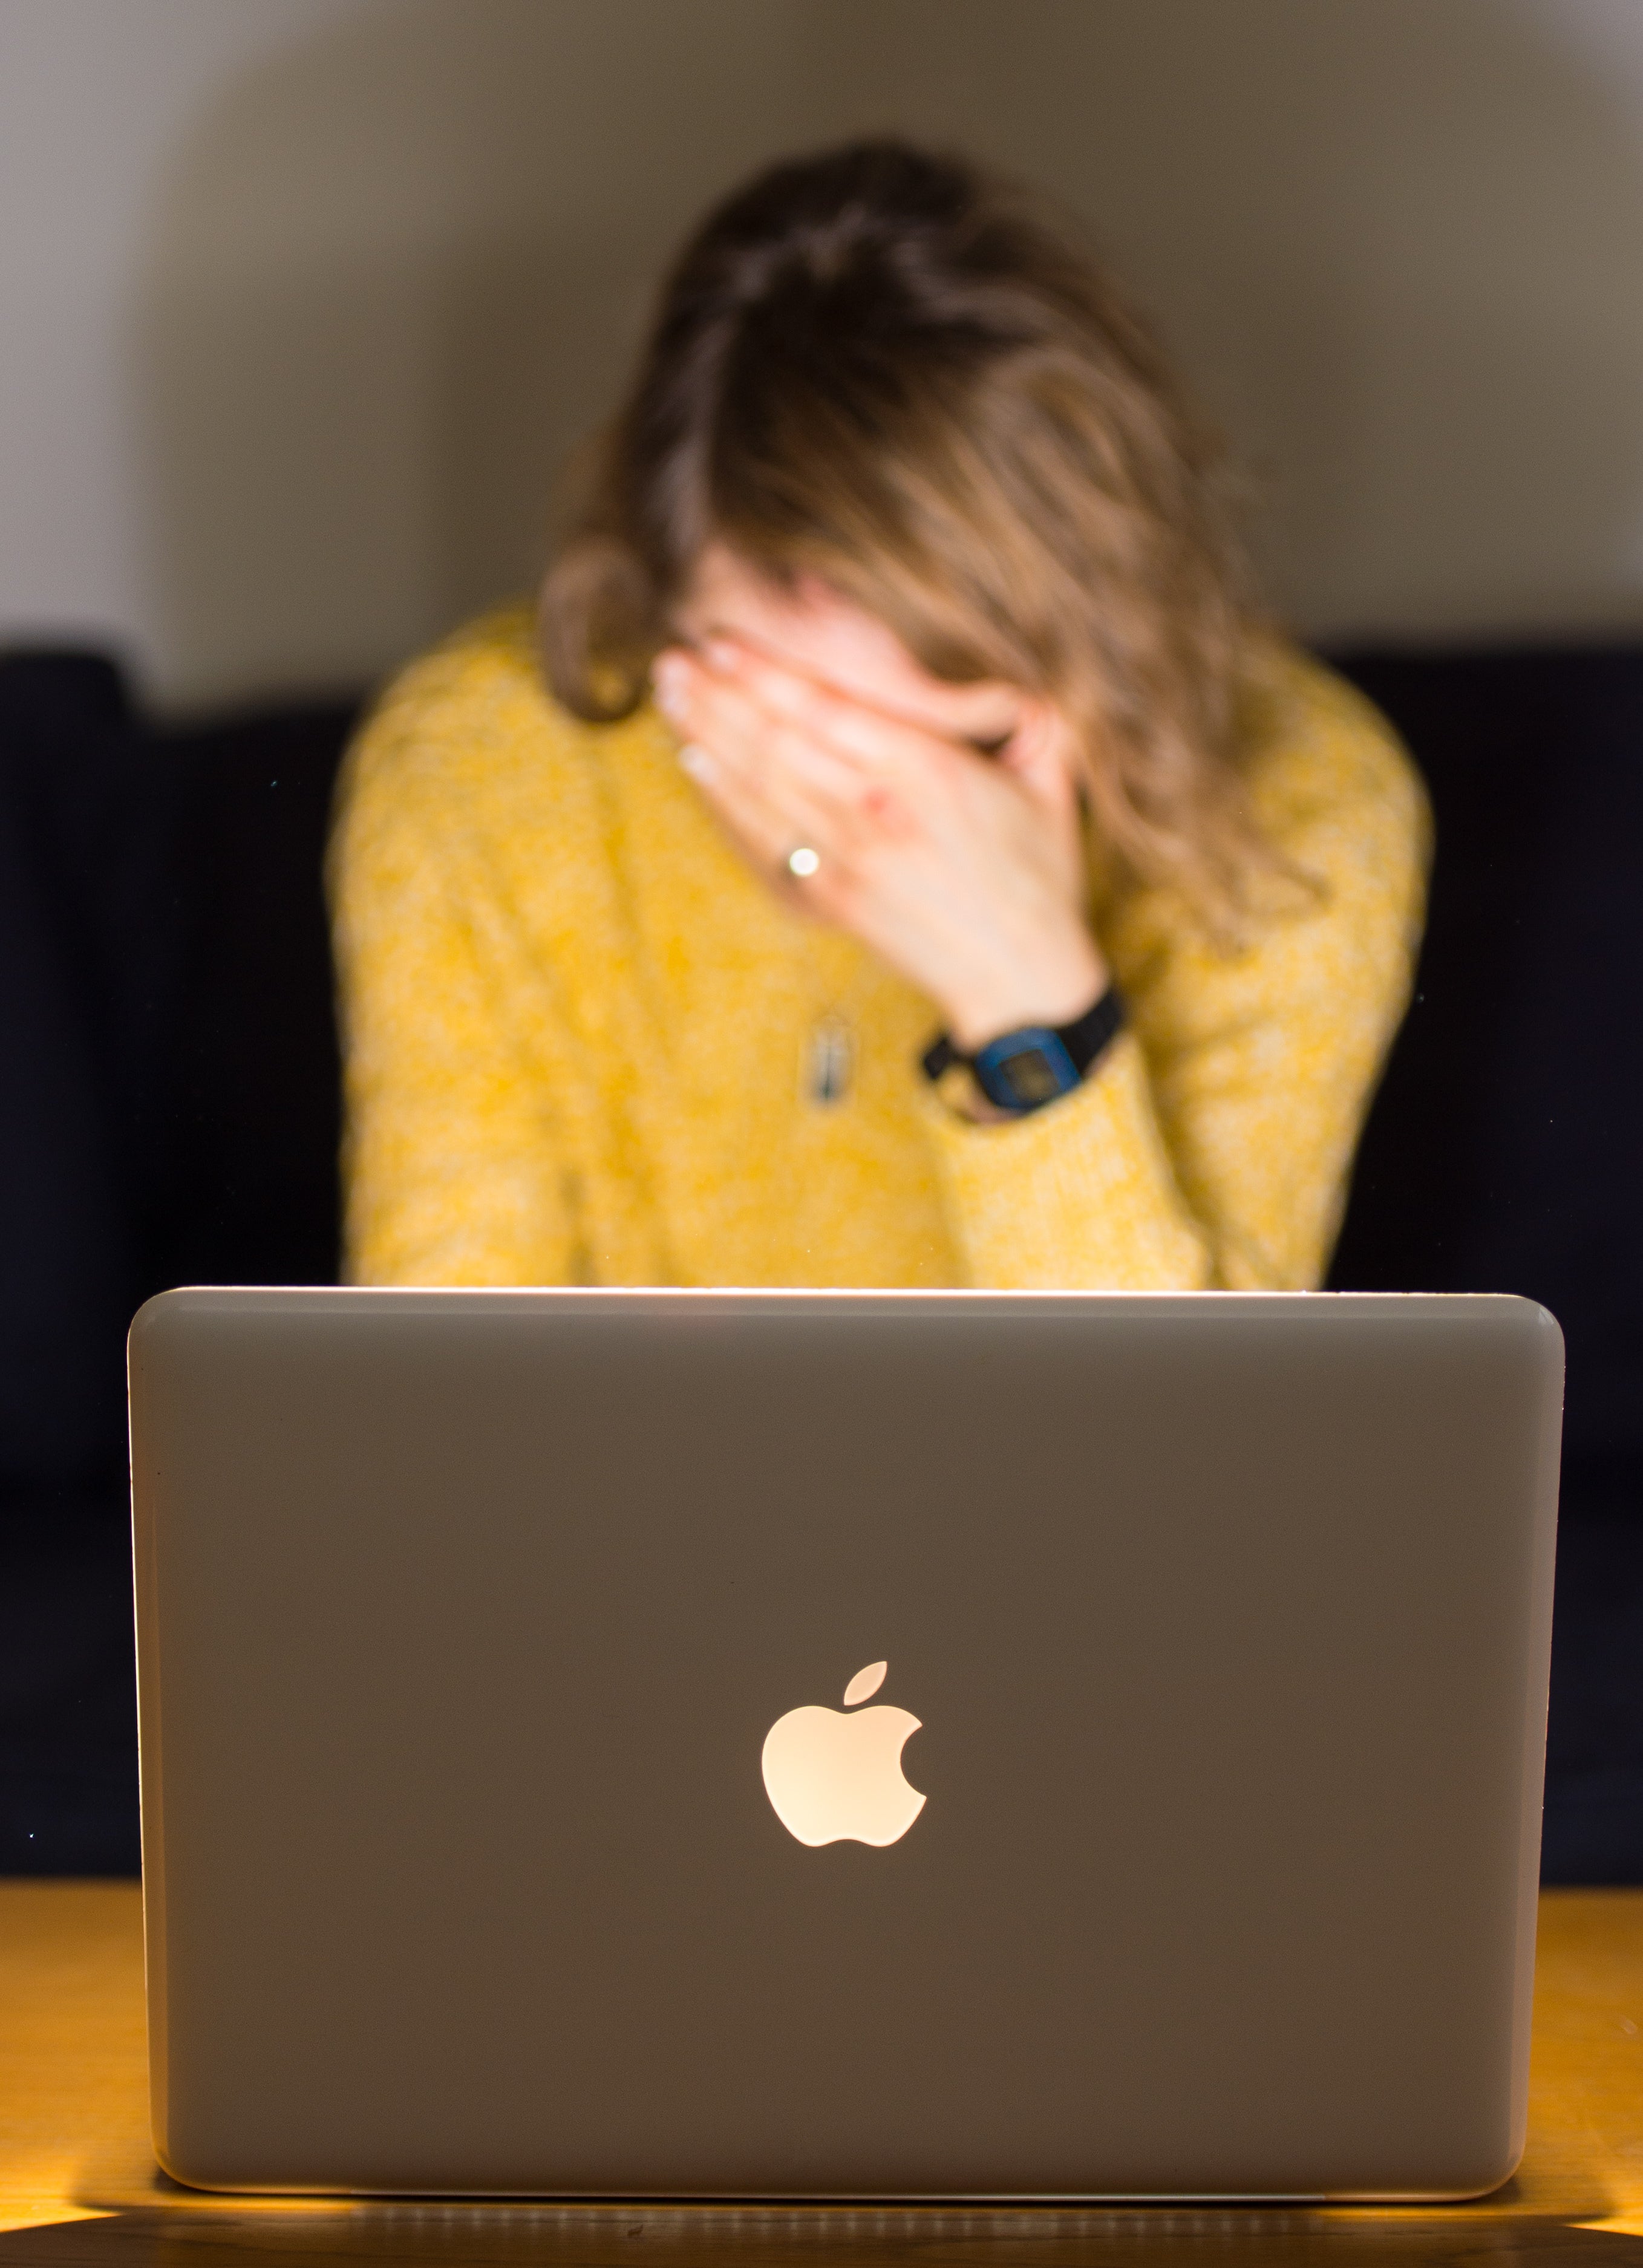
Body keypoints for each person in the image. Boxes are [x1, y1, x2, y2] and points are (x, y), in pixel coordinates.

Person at [328, 138, 1428, 1293]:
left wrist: (1029, 1012)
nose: (861, 814)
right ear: (656, 608)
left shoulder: (1305, 802)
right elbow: (443, 1402)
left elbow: (1171, 1460)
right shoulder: (481, 766)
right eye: (776, 714)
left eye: (968, 748)